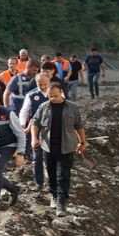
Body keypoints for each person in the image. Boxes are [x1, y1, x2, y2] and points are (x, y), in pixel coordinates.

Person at [30, 80, 86, 216]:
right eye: (50, 96)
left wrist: (82, 142)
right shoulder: (44, 107)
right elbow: (35, 123)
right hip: (48, 146)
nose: (52, 99)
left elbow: (79, 126)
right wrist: (34, 138)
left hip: (66, 146)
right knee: (52, 174)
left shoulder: (72, 107)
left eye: (55, 95)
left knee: (63, 175)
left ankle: (61, 202)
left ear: (61, 93)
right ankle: (54, 196)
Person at [19, 71, 52, 191]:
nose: (42, 87)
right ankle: (38, 183)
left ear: (49, 82)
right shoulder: (31, 95)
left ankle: (52, 182)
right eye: (40, 84)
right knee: (37, 157)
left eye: (45, 84)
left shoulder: (56, 93)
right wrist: (22, 125)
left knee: (51, 157)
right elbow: (24, 111)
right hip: (36, 129)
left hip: (52, 130)